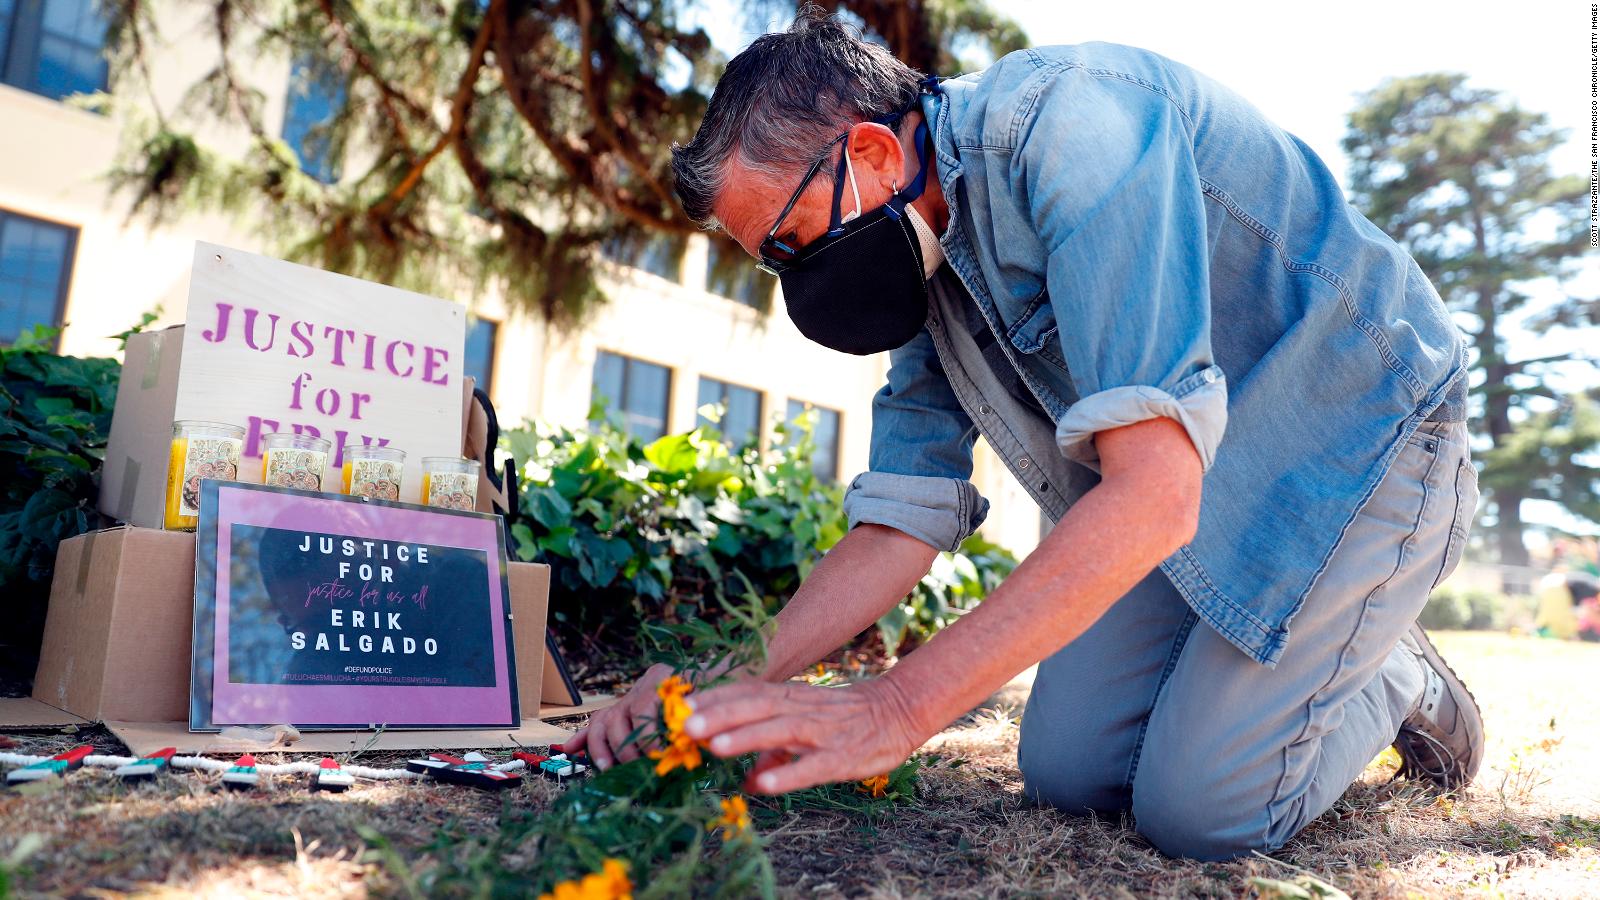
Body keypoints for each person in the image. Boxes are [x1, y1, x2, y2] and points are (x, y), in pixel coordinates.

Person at [565, 9, 1484, 861]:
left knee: (1203, 813)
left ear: (877, 153)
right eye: (773, 263)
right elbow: (900, 521)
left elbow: (1154, 492)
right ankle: (1303, 642)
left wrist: (893, 707)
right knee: (1068, 774)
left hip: (1360, 435)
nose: (797, 281)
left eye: (794, 239)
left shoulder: (1075, 129)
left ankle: (1390, 665)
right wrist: (711, 686)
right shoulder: (921, 253)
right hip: (1193, 474)